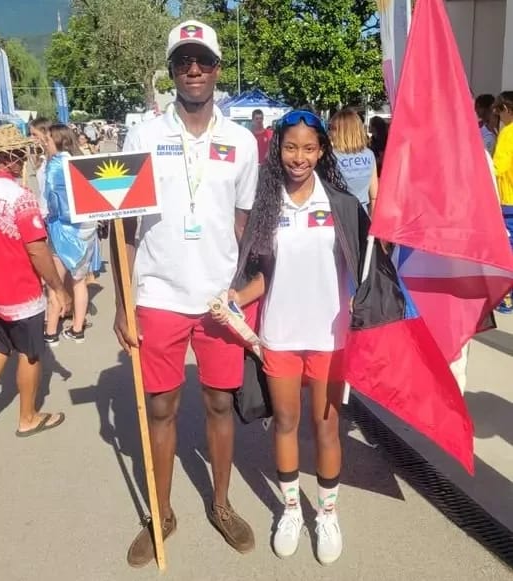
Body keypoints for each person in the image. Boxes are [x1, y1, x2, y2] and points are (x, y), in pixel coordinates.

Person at [112, 20, 259, 567]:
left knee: (220, 402)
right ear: (172, 71)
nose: (193, 70)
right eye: (182, 62)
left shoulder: (242, 142)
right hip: (159, 294)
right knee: (161, 407)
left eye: (202, 61)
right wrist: (123, 304)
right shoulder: (143, 137)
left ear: (217, 69)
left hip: (218, 298)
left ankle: (221, 504)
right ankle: (163, 513)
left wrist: (248, 290)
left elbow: (244, 225)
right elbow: (122, 225)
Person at [212, 109, 369, 565]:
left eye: (309, 148)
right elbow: (266, 274)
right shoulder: (267, 206)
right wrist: (236, 296)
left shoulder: (342, 205)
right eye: (290, 147)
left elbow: (365, 267)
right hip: (280, 334)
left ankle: (328, 515)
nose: (299, 157)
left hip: (330, 336)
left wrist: (362, 297)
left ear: (322, 152)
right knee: (285, 423)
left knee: (326, 427)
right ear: (278, 149)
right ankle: (291, 510)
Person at [0, 124, 70, 444]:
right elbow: (37, 249)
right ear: (11, 157)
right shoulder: (20, 197)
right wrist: (57, 287)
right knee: (29, 352)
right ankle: (27, 417)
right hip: (19, 292)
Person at [43, 124, 97, 344]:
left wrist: (49, 218)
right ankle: (77, 328)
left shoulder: (55, 165)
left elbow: (52, 199)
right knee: (79, 281)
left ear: (58, 141)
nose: (44, 143)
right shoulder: (79, 161)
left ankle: (51, 331)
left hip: (62, 229)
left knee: (54, 282)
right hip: (86, 226)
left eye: (47, 140)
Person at [329, 109, 378, 214]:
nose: (330, 133)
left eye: (332, 129)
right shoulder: (369, 154)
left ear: (341, 131)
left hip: (338, 214)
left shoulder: (331, 156)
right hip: (362, 214)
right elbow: (374, 196)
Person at [493, 91, 513, 313]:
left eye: (498, 110)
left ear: (506, 109)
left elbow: (498, 168)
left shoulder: (508, 133)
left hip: (509, 200)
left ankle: (506, 298)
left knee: (507, 249)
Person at [29, 117, 52, 218]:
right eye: (30, 134)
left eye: (35, 134)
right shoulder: (40, 156)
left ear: (45, 133)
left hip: (54, 212)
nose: (31, 138)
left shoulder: (57, 157)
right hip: (43, 211)